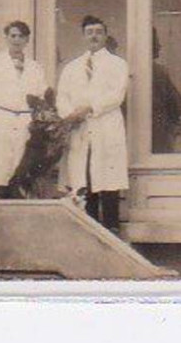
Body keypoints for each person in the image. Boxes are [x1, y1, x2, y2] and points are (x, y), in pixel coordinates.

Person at [55, 15, 129, 232]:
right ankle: (91, 231)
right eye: (89, 32)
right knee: (85, 179)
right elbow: (62, 97)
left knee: (107, 180)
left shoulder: (118, 64)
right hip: (80, 129)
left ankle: (111, 232)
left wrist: (88, 108)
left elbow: (117, 95)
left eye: (98, 32)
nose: (94, 36)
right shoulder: (72, 67)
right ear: (83, 37)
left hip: (106, 126)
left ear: (105, 36)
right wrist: (70, 114)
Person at [0, 20, 48, 199]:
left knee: (20, 169)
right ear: (6, 38)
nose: (17, 40)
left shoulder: (36, 67)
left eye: (21, 36)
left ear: (27, 40)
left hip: (24, 123)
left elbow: (42, 97)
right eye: (13, 35)